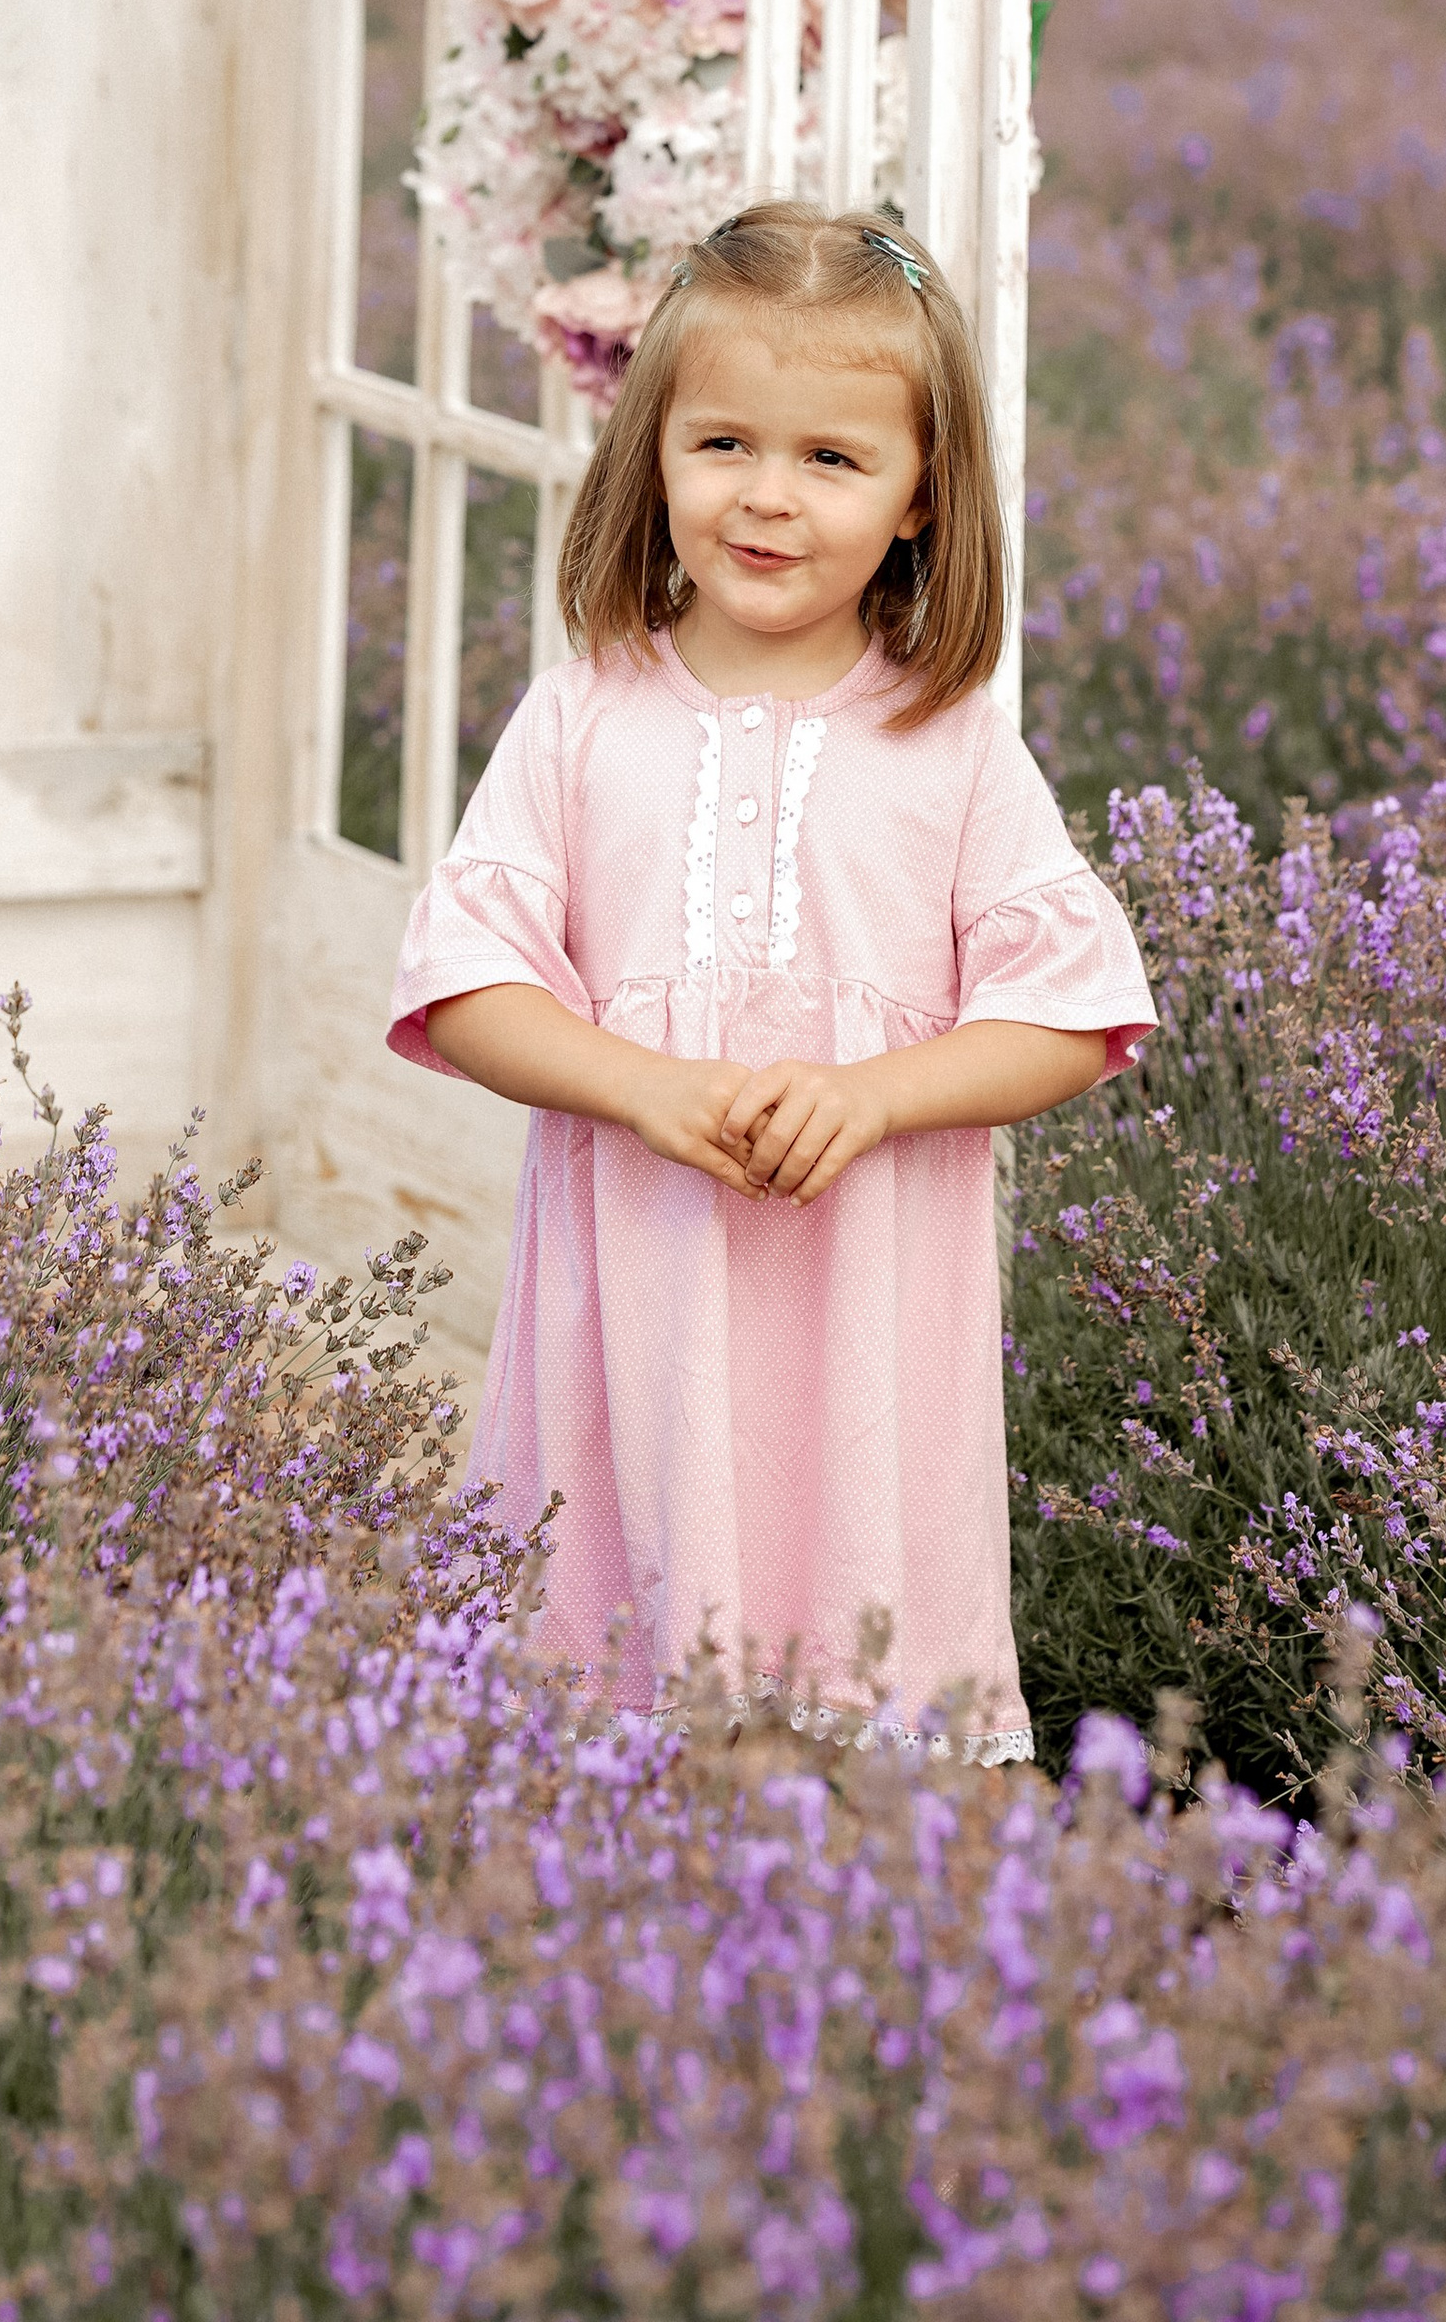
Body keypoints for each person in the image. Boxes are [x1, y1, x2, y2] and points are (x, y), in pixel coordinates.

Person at [386, 200, 1155, 1759]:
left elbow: (1072, 1013)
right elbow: (466, 982)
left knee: (875, 1725)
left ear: (922, 498)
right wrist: (643, 1085)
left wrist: (877, 1095)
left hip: (862, 1312)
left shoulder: (947, 745)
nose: (768, 498)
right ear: (652, 452)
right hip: (638, 1294)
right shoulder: (585, 715)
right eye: (724, 442)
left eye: (832, 460)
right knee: (618, 1702)